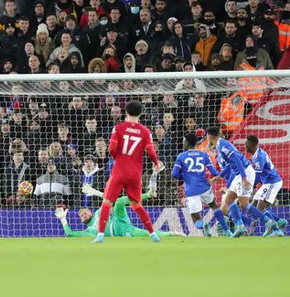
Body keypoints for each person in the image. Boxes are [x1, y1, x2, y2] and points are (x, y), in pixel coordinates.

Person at [93, 100, 162, 244]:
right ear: (140, 114)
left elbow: (111, 148)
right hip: (135, 174)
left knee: (106, 203)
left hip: (119, 172)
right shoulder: (145, 131)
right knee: (137, 205)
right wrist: (156, 163)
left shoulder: (118, 127)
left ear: (126, 112)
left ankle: (100, 235)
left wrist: (117, 159)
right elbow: (151, 151)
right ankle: (153, 234)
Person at [208, 126, 278, 237]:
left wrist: (244, 178)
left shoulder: (223, 145)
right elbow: (230, 164)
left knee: (244, 204)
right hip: (238, 174)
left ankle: (270, 223)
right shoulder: (220, 145)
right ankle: (240, 226)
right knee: (229, 199)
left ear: (209, 136)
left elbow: (236, 160)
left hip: (245, 172)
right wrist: (219, 177)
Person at [55, 185, 182, 238]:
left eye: (85, 212)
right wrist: (63, 220)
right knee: (148, 234)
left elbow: (109, 199)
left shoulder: (99, 212)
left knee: (119, 202)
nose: (83, 214)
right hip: (122, 230)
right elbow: (69, 233)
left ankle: (148, 194)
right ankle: (171, 234)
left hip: (118, 220)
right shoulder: (88, 232)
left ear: (91, 212)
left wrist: (95, 192)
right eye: (81, 215)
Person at [171, 133, 231, 237]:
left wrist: (185, 173)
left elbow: (174, 174)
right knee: (214, 205)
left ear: (186, 142)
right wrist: (221, 176)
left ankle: (203, 224)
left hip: (191, 190)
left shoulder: (181, 156)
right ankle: (227, 231)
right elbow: (214, 172)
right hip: (205, 187)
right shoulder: (204, 155)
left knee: (195, 217)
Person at [245, 135, 287, 237]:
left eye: (246, 144)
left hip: (272, 182)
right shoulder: (256, 154)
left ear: (252, 144)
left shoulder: (259, 156)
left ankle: (275, 229)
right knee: (254, 205)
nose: (245, 146)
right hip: (267, 183)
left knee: (259, 207)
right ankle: (279, 220)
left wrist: (251, 186)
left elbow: (258, 175)